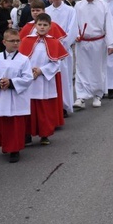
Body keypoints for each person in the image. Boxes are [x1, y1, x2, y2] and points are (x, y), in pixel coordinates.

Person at [0, 28, 33, 163]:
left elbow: (28, 78)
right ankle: (5, 144)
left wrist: (11, 82)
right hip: (1, 96)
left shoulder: (24, 59)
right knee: (1, 122)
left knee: (15, 124)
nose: (16, 43)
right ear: (4, 42)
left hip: (16, 96)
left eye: (18, 41)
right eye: (12, 41)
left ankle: (15, 149)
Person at [19, 13, 68, 146]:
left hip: (45, 80)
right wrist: (29, 71)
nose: (42, 27)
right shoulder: (26, 40)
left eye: (45, 25)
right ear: (35, 25)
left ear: (49, 27)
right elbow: (21, 60)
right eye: (39, 24)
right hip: (29, 79)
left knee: (44, 109)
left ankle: (44, 134)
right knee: (28, 108)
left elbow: (56, 63)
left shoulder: (54, 41)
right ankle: (27, 134)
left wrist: (41, 71)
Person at [73, 0, 113, 108]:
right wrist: (75, 35)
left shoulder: (103, 6)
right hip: (82, 42)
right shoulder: (78, 6)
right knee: (81, 69)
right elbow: (74, 24)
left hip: (98, 42)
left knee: (97, 69)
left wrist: (110, 44)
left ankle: (97, 94)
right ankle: (81, 96)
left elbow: (108, 25)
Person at [45, 0, 78, 116]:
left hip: (63, 50)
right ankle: (53, 106)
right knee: (51, 79)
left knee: (65, 78)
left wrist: (62, 45)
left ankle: (64, 105)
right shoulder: (46, 11)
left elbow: (72, 30)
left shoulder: (70, 10)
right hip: (48, 50)